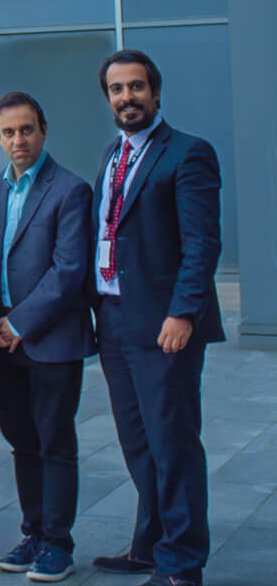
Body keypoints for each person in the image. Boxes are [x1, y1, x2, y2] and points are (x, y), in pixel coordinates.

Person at [89, 50, 222, 586]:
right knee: (139, 443)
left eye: (136, 87)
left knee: (174, 446)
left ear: (157, 93)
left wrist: (183, 313)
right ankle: (148, 544)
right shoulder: (112, 155)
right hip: (115, 319)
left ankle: (182, 563)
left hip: (166, 325)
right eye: (117, 89)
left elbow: (202, 243)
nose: (127, 98)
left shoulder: (188, 154)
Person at [0, 92, 95, 583]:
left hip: (50, 342)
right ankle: (33, 533)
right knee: (21, 440)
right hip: (3, 343)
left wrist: (17, 324)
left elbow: (68, 273)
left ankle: (58, 544)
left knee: (54, 442)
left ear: (43, 131)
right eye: (8, 132)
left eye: (26, 130)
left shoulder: (71, 190)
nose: (18, 139)